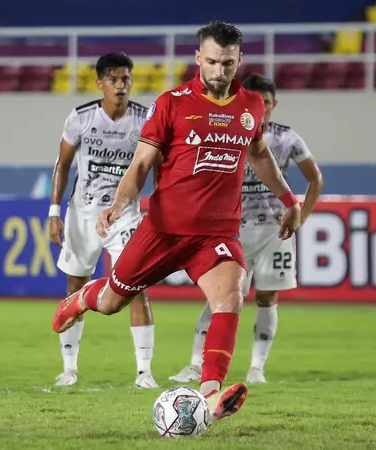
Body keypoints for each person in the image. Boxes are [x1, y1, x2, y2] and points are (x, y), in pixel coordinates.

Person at [52, 20, 302, 421]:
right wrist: (118, 204)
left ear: (240, 60)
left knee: (231, 296)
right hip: (163, 231)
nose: (220, 71)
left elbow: (259, 155)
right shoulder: (171, 103)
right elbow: (141, 164)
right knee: (114, 302)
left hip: (216, 234)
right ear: (198, 58)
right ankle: (82, 298)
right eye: (213, 62)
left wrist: (289, 199)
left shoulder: (251, 104)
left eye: (228, 63)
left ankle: (210, 396)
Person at [169, 74, 323, 384]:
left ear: (273, 105)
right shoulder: (227, 130)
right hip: (232, 232)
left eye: (266, 104)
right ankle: (195, 365)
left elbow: (315, 178)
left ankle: (256, 369)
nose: (261, 109)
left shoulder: (286, 138)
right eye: (256, 103)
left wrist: (301, 216)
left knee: (267, 299)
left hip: (273, 233)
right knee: (219, 298)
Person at [48, 52, 158, 388]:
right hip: (82, 214)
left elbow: (158, 165)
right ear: (100, 83)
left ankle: (144, 373)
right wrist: (54, 212)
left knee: (136, 286)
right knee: (74, 286)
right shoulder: (80, 118)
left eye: (126, 78)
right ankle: (69, 369)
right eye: (113, 79)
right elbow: (63, 165)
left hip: (124, 216)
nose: (121, 85)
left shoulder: (145, 118)